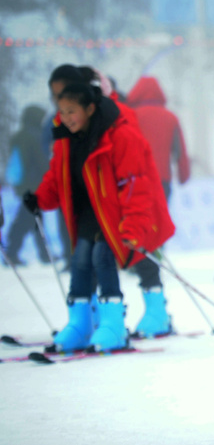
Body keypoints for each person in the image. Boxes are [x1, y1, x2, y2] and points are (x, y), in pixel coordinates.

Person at [23, 83, 175, 352]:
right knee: (90, 256)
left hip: (137, 185)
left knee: (141, 246)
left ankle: (150, 312)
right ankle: (92, 319)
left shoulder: (124, 115)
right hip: (124, 191)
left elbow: (134, 158)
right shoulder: (86, 121)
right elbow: (59, 159)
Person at [126, 76, 191, 201]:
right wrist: (184, 176)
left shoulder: (130, 116)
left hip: (135, 181)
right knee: (160, 219)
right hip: (162, 181)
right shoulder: (171, 118)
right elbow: (180, 152)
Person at [3, 105, 51, 266]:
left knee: (34, 218)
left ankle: (42, 254)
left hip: (22, 184)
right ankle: (12, 253)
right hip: (34, 184)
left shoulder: (19, 135)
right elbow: (41, 161)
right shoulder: (35, 136)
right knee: (27, 219)